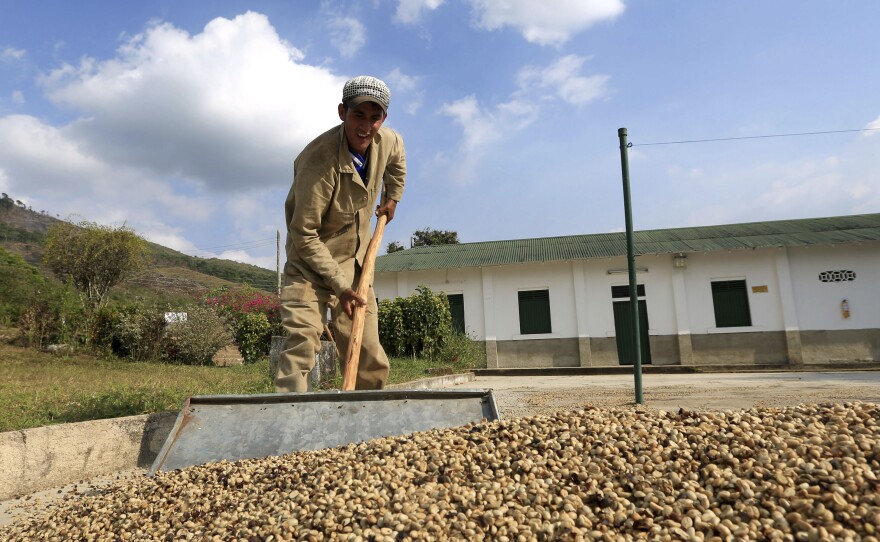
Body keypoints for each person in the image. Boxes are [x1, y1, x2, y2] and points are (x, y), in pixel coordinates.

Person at [276, 75, 406, 392]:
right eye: (358, 115)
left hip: (354, 261)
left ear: (383, 119)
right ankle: (288, 427)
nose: (366, 126)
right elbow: (304, 234)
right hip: (309, 264)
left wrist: (393, 196)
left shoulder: (388, 141)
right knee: (302, 344)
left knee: (367, 351)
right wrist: (339, 285)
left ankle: (367, 426)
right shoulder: (317, 162)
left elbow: (397, 161)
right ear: (342, 112)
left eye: (375, 117)